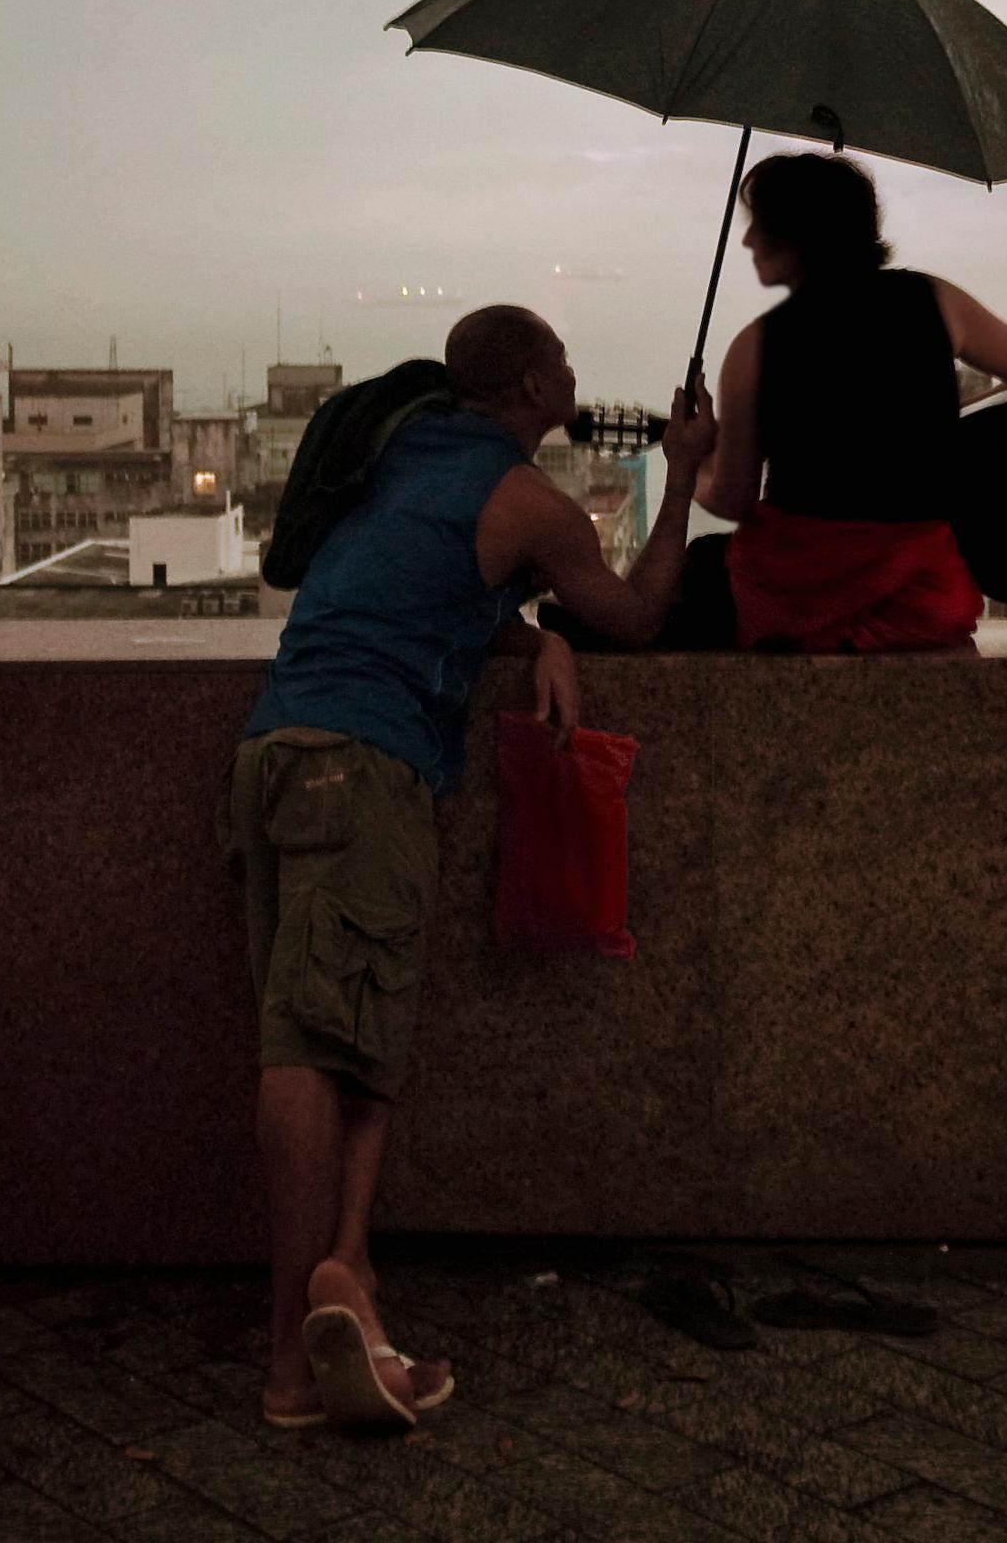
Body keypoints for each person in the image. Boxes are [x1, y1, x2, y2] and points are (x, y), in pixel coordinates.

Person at [229, 303, 715, 1430]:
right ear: (536, 386)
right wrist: (681, 471)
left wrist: (534, 636)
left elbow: (413, 588)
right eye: (563, 357)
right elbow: (638, 612)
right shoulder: (530, 504)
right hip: (364, 769)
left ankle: (350, 1279)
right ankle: (289, 1374)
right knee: (307, 1048)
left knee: (360, 1034)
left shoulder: (399, 451)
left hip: (276, 752)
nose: (575, 371)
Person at [699, 151, 1007, 651]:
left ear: (798, 235)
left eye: (762, 224)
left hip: (797, 604)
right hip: (920, 600)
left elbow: (732, 499)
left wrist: (693, 463)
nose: (748, 240)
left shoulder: (754, 347)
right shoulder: (938, 302)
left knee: (703, 568)